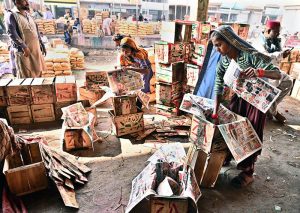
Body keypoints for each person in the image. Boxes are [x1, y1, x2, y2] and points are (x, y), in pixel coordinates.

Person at [211, 26, 281, 187]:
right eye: (214, 46)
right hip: (238, 99)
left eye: (219, 44)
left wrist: (259, 72)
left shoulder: (251, 56)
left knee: (250, 132)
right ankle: (229, 156)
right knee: (233, 129)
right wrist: (215, 112)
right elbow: (218, 86)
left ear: (230, 41)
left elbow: (277, 74)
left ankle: (248, 172)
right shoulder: (225, 62)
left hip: (256, 102)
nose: (217, 49)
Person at [252, 20, 293, 123]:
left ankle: (270, 109)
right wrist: (281, 54)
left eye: (278, 32)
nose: (278, 34)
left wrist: (283, 53)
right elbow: (265, 57)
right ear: (268, 30)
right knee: (270, 88)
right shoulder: (258, 42)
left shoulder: (275, 40)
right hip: (262, 72)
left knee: (288, 81)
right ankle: (274, 112)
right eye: (276, 32)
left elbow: (276, 57)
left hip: (274, 71)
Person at [5, 0, 46, 78]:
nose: (27, 3)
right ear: (17, 2)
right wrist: (24, 47)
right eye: (24, 1)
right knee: (26, 77)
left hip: (35, 51)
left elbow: (35, 30)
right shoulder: (11, 15)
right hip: (24, 52)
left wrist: (41, 43)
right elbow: (12, 33)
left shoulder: (28, 15)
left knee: (38, 75)